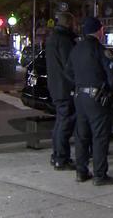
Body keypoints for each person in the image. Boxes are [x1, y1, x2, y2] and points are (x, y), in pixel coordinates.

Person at [65, 17, 113, 186]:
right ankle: (100, 175)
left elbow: (67, 72)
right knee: (100, 136)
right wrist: (112, 90)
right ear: (100, 30)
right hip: (97, 98)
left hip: (79, 97)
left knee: (81, 136)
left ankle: (81, 172)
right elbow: (112, 72)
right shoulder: (99, 49)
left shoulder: (76, 49)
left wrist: (80, 84)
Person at [45, 12, 77, 170]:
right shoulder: (65, 40)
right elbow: (70, 65)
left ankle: (57, 155)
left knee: (60, 121)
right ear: (69, 23)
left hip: (55, 86)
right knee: (65, 122)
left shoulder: (52, 38)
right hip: (65, 88)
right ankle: (61, 158)